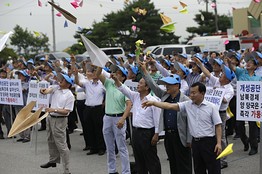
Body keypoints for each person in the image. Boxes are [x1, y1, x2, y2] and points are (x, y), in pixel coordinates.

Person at [142, 82, 222, 174]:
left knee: (213, 169)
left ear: (202, 93)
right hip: (195, 143)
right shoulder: (188, 104)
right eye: (190, 92)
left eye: (194, 93)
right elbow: (170, 106)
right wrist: (153, 103)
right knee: (198, 169)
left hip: (209, 142)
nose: (191, 95)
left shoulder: (211, 107)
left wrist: (219, 143)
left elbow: (218, 125)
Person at [139, 61, 192, 174]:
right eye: (166, 84)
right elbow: (153, 85)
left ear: (177, 86)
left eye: (169, 84)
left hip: (181, 135)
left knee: (184, 164)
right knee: (173, 163)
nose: (166, 86)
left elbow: (190, 122)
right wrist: (144, 70)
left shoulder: (186, 100)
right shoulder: (164, 95)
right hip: (169, 135)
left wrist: (189, 139)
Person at [112, 73, 162, 174]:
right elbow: (123, 89)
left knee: (151, 159)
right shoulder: (135, 96)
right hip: (135, 132)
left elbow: (158, 119)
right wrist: (116, 80)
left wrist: (156, 134)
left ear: (147, 87)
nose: (138, 85)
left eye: (141, 83)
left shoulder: (153, 101)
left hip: (147, 133)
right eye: (138, 83)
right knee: (139, 159)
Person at [194, 57, 235, 169]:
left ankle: (223, 159)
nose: (220, 76)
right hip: (210, 111)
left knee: (221, 136)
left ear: (226, 79)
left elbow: (226, 100)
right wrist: (201, 65)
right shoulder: (217, 81)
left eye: (222, 75)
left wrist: (218, 93)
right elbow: (208, 74)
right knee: (210, 134)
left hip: (221, 113)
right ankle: (212, 155)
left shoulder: (229, 88)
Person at [96, 65, 132, 174]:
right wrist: (98, 65)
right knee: (109, 147)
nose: (116, 74)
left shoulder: (125, 89)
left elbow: (129, 105)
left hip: (118, 118)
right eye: (116, 72)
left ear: (123, 77)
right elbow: (98, 74)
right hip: (107, 117)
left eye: (119, 73)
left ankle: (126, 171)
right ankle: (112, 170)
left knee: (122, 147)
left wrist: (123, 118)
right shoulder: (109, 84)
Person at [40, 73, 75, 174]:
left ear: (68, 84)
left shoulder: (69, 95)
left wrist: (53, 109)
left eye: (63, 80)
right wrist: (42, 91)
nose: (60, 81)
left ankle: (66, 170)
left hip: (60, 119)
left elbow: (67, 111)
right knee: (50, 139)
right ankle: (53, 160)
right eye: (61, 79)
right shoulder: (56, 88)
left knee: (61, 144)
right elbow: (46, 91)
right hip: (51, 117)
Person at [228, 53, 262, 155]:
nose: (248, 64)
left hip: (253, 105)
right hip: (241, 103)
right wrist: (230, 62)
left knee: (253, 126)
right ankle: (245, 141)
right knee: (239, 125)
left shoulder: (259, 78)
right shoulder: (241, 72)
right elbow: (232, 67)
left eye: (251, 63)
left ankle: (254, 147)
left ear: (255, 66)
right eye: (247, 62)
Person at [73, 65, 106, 155]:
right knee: (89, 128)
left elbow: (107, 95)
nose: (94, 74)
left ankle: (101, 147)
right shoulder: (87, 83)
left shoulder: (102, 85)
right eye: (93, 72)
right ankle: (93, 147)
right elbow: (77, 82)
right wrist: (76, 75)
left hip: (98, 108)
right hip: (88, 107)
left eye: (96, 72)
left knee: (99, 128)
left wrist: (104, 103)